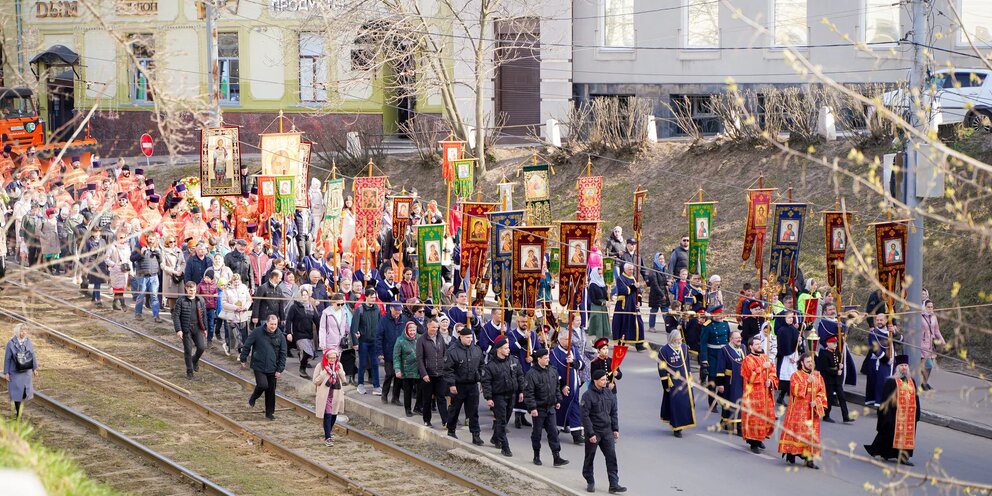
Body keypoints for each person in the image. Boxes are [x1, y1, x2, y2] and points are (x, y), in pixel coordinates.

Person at [864, 354, 920, 466]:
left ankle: (903, 458)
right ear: (897, 367)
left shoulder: (911, 381)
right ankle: (884, 452)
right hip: (895, 414)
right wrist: (886, 416)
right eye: (901, 365)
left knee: (907, 437)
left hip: (909, 415)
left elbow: (916, 397)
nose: (904, 367)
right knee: (889, 434)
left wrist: (918, 413)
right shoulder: (891, 382)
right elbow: (886, 400)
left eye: (905, 365)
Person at [778, 352, 827, 469]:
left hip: (811, 412)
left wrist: (817, 401)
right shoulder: (796, 375)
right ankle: (791, 453)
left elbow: (822, 392)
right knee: (797, 434)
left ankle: (809, 459)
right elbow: (795, 391)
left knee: (811, 436)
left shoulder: (818, 376)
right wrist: (807, 382)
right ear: (802, 363)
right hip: (798, 411)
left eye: (811, 362)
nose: (810, 364)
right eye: (808, 362)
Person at [581, 369, 625, 494]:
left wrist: (615, 429)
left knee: (611, 457)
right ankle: (589, 480)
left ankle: (614, 484)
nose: (606, 381)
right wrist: (590, 434)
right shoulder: (587, 396)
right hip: (594, 431)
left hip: (607, 431)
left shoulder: (608, 393)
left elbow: (614, 412)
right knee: (590, 457)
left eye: (606, 379)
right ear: (595, 381)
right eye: (603, 380)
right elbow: (585, 416)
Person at [523, 348, 568, 467]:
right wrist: (532, 408)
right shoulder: (531, 374)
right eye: (545, 358)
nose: (548, 359)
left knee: (553, 432)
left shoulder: (552, 371)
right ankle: (536, 455)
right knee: (537, 433)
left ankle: (556, 457)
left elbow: (556, 387)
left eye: (548, 357)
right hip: (538, 408)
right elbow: (529, 392)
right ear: (539, 359)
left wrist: (558, 400)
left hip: (550, 407)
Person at [481, 336, 525, 457]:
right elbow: (486, 383)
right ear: (499, 350)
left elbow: (520, 376)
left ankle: (495, 438)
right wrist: (489, 398)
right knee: (501, 421)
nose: (508, 350)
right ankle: (505, 447)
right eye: (506, 348)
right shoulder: (490, 366)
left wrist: (521, 391)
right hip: (498, 396)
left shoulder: (513, 361)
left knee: (505, 419)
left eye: (508, 348)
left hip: (511, 394)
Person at [240, 315, 288, 420]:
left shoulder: (280, 336)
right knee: (262, 384)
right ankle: (253, 398)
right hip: (259, 365)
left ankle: (269, 413)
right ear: (266, 323)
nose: (273, 326)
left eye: (275, 324)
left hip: (273, 367)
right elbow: (247, 344)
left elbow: (283, 354)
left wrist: (280, 369)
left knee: (271, 391)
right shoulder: (257, 332)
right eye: (271, 324)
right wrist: (243, 358)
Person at [444, 325, 485, 445]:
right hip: (458, 385)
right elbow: (448, 369)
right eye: (467, 337)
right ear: (460, 337)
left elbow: (482, 366)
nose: (470, 339)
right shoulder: (453, 351)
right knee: (455, 409)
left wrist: (482, 380)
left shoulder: (476, 350)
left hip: (472, 385)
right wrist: (451, 384)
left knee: (473, 411)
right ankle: (451, 430)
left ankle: (475, 434)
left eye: (471, 337)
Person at [741, 335, 778, 453]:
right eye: (756, 344)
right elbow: (750, 377)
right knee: (755, 418)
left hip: (766, 393)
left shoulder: (765, 357)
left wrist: (770, 380)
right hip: (753, 394)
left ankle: (760, 437)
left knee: (768, 416)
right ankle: (753, 443)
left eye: (760, 344)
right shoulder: (748, 359)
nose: (759, 346)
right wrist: (762, 367)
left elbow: (772, 372)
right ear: (751, 346)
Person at [658, 329, 694, 437]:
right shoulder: (664, 351)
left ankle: (684, 422)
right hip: (673, 383)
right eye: (678, 339)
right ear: (673, 339)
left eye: (680, 339)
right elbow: (661, 368)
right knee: (676, 404)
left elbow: (687, 364)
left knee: (686, 403)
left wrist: (690, 377)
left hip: (684, 380)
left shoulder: (683, 347)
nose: (680, 341)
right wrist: (665, 384)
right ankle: (676, 427)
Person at [416, 318, 448, 427]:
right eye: (433, 327)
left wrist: (443, 366)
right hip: (428, 374)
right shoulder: (422, 340)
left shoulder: (440, 338)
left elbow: (444, 353)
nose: (435, 329)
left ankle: (445, 420)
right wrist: (423, 373)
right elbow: (419, 358)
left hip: (440, 373)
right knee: (427, 399)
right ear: (428, 326)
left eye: (437, 327)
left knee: (441, 397)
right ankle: (427, 420)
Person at [173, 281, 207, 380]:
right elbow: (176, 316)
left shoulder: (200, 300)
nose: (192, 292)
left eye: (194, 290)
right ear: (186, 289)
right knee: (188, 350)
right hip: (186, 329)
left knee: (201, 347)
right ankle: (190, 371)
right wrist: (178, 330)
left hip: (197, 328)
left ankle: (194, 360)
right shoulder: (181, 301)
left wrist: (205, 329)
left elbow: (204, 315)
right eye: (190, 290)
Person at [351, 288, 382, 395]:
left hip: (374, 342)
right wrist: (355, 342)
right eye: (372, 297)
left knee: (375, 363)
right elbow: (354, 327)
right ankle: (360, 384)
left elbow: (379, 324)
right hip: (363, 341)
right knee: (362, 363)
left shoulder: (377, 309)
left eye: (375, 297)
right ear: (366, 297)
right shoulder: (359, 310)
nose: (374, 299)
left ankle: (377, 386)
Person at [313, 348, 347, 446]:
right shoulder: (320, 366)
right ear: (326, 357)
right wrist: (324, 374)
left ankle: (328, 432)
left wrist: (340, 372)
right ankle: (328, 437)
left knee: (334, 414)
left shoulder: (339, 365)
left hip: (336, 394)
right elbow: (315, 381)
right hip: (325, 395)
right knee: (327, 414)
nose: (332, 360)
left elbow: (344, 380)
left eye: (334, 358)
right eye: (330, 358)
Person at [816, 336, 853, 423]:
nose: (835, 345)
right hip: (828, 379)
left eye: (836, 343)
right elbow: (824, 368)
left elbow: (839, 364)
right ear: (828, 343)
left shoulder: (837, 352)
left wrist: (841, 366)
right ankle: (826, 415)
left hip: (837, 380)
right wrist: (836, 371)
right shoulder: (823, 353)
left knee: (842, 397)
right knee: (829, 398)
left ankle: (846, 416)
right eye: (833, 343)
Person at [4, 324, 38, 419]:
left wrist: (34, 368)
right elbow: (7, 359)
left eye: (26, 331)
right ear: (17, 332)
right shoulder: (10, 343)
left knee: (23, 393)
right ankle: (18, 413)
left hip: (26, 371)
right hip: (15, 372)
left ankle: (19, 410)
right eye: (22, 331)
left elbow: (32, 355)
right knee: (16, 394)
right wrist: (6, 372)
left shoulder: (28, 342)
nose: (24, 333)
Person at [286, 285, 319, 377]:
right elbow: (289, 320)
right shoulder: (294, 307)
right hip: (299, 334)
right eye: (302, 295)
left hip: (309, 334)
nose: (304, 296)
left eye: (306, 295)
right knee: (307, 351)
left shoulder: (311, 307)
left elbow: (316, 320)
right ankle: (302, 369)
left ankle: (303, 366)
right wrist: (289, 332)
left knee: (310, 354)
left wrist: (320, 332)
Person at [715, 330, 745, 432]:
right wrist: (720, 384)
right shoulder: (724, 350)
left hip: (741, 380)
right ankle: (738, 426)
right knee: (732, 402)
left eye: (740, 337)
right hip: (730, 381)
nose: (739, 339)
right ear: (731, 339)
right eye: (737, 338)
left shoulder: (743, 348)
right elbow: (720, 367)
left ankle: (725, 422)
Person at [129, 232, 163, 322]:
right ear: (147, 238)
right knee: (141, 295)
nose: (152, 240)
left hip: (154, 275)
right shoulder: (139, 246)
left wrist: (158, 253)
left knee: (154, 296)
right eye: (150, 238)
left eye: (153, 238)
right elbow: (132, 258)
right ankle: (138, 314)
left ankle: (156, 315)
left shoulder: (157, 247)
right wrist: (141, 253)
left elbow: (161, 260)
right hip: (142, 276)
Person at [611, 263, 645, 351]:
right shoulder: (620, 279)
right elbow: (624, 290)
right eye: (630, 269)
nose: (631, 271)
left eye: (632, 269)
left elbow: (639, 290)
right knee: (624, 322)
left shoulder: (633, 277)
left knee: (638, 323)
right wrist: (634, 286)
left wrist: (639, 300)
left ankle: (639, 343)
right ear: (625, 269)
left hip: (634, 303)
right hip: (625, 304)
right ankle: (622, 342)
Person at [377, 302, 405, 405]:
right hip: (388, 351)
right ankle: (384, 395)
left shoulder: (404, 319)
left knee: (399, 376)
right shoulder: (384, 320)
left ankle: (395, 398)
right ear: (391, 309)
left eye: (400, 310)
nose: (398, 312)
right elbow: (379, 336)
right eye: (396, 309)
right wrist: (380, 352)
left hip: (400, 353)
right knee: (389, 374)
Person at [699, 305, 730, 400]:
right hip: (712, 354)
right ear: (713, 315)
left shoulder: (725, 324)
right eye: (718, 314)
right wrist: (704, 359)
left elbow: (728, 339)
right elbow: (703, 343)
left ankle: (722, 397)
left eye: (721, 313)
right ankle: (712, 401)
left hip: (724, 354)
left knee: (725, 377)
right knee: (712, 378)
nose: (720, 315)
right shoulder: (707, 326)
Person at [219, 273, 252, 356]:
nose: (237, 284)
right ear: (232, 282)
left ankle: (240, 352)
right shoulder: (227, 290)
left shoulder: (244, 288)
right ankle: (239, 353)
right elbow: (223, 303)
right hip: (232, 317)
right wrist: (234, 307)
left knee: (244, 336)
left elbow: (249, 300)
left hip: (243, 316)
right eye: (235, 282)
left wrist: (245, 307)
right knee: (237, 336)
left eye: (238, 282)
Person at [393, 321, 420, 417]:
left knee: (420, 390)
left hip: (418, 369)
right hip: (406, 369)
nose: (412, 332)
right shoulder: (400, 340)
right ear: (406, 330)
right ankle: (408, 409)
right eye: (410, 330)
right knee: (407, 391)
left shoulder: (419, 338)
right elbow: (396, 356)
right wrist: (397, 369)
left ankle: (418, 407)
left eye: (414, 330)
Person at [776, 310, 802, 405]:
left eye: (792, 317)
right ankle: (781, 396)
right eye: (789, 317)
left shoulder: (794, 330)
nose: (791, 319)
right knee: (786, 377)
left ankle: (794, 397)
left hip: (794, 355)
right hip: (786, 357)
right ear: (784, 318)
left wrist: (799, 341)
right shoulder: (781, 330)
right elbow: (782, 345)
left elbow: (796, 344)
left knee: (794, 377)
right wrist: (788, 355)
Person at [920, 300, 945, 391]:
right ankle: (922, 383)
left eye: (931, 307)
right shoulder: (920, 316)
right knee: (928, 364)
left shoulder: (934, 317)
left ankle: (924, 382)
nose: (930, 309)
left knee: (929, 366)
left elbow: (936, 330)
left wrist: (942, 340)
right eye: (928, 307)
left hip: (931, 344)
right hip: (922, 344)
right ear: (924, 307)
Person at [646, 253, 670, 332]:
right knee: (654, 311)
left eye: (662, 258)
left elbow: (664, 281)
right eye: (660, 259)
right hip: (655, 294)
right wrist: (662, 294)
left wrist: (668, 283)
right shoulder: (653, 271)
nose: (661, 260)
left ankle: (668, 326)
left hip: (663, 293)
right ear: (656, 260)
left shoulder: (663, 269)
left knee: (665, 311)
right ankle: (651, 326)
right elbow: (655, 284)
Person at [160, 236, 186, 311]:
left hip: (179, 275)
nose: (173, 243)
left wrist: (181, 270)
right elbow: (162, 265)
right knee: (171, 296)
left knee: (180, 295)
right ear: (167, 243)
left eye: (174, 241)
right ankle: (172, 311)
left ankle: (178, 311)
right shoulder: (164, 252)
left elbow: (183, 263)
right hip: (170, 276)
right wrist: (173, 271)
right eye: (170, 242)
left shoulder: (179, 251)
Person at [585, 267, 611, 340]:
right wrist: (603, 303)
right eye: (599, 274)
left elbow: (606, 297)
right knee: (598, 324)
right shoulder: (592, 285)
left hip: (603, 307)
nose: (600, 275)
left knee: (604, 324)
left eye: (601, 274)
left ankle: (601, 340)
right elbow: (593, 299)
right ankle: (597, 340)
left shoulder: (603, 283)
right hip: (597, 306)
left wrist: (608, 294)